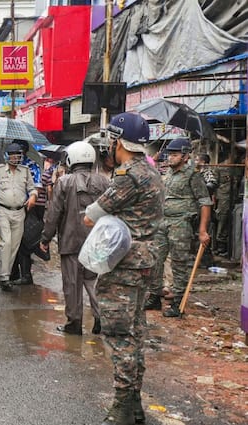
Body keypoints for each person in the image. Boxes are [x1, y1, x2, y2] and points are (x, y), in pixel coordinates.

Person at [83, 112, 164, 425]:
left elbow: (92, 215)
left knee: (120, 336)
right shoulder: (153, 172)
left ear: (119, 142)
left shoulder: (128, 176)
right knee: (136, 333)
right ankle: (135, 405)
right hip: (145, 265)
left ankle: (121, 408)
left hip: (124, 267)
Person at [40, 142, 109, 335]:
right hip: (96, 242)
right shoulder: (104, 182)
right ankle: (100, 318)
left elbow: (53, 214)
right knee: (92, 281)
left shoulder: (64, 182)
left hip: (71, 241)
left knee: (72, 283)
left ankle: (74, 322)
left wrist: (45, 238)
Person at [146, 138, 211, 317]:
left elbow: (205, 202)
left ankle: (178, 302)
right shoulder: (168, 174)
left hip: (180, 223)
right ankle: (154, 296)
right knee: (156, 260)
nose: (170, 158)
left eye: (174, 155)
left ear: (185, 156)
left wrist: (202, 230)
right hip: (162, 222)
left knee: (179, 263)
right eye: (170, 155)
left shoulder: (193, 175)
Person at [0, 142, 38, 290]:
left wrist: (33, 196)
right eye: (13, 155)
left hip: (19, 212)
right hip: (2, 210)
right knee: (6, 242)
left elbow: (32, 188)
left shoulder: (25, 171)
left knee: (15, 245)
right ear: (7, 156)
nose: (16, 158)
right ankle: (4, 277)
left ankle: (5, 275)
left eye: (18, 155)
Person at [10, 140, 43, 285]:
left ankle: (25, 275)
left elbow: (37, 188)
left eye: (17, 151)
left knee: (24, 243)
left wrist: (29, 199)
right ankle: (13, 273)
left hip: (26, 209)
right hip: (10, 209)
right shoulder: (9, 166)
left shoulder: (31, 166)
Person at [213, 154, 235, 257]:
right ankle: (220, 246)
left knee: (228, 222)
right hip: (222, 198)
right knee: (222, 220)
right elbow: (214, 183)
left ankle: (223, 246)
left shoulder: (235, 168)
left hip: (233, 199)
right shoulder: (220, 168)